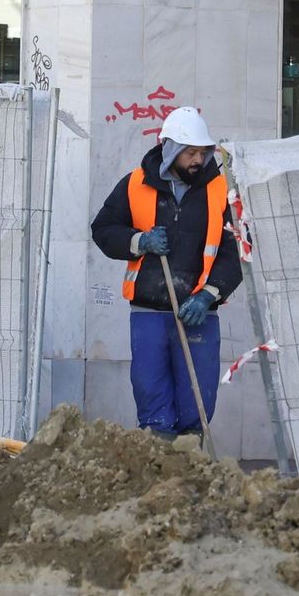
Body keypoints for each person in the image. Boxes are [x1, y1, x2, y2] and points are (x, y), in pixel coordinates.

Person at [90, 106, 242, 440]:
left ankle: (188, 459)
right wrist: (138, 241)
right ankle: (158, 457)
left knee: (196, 403)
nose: (198, 160)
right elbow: (103, 229)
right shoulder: (135, 184)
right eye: (190, 153)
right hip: (148, 314)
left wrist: (208, 295)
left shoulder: (220, 191)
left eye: (202, 152)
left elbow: (235, 253)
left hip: (198, 314)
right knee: (152, 398)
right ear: (170, 148)